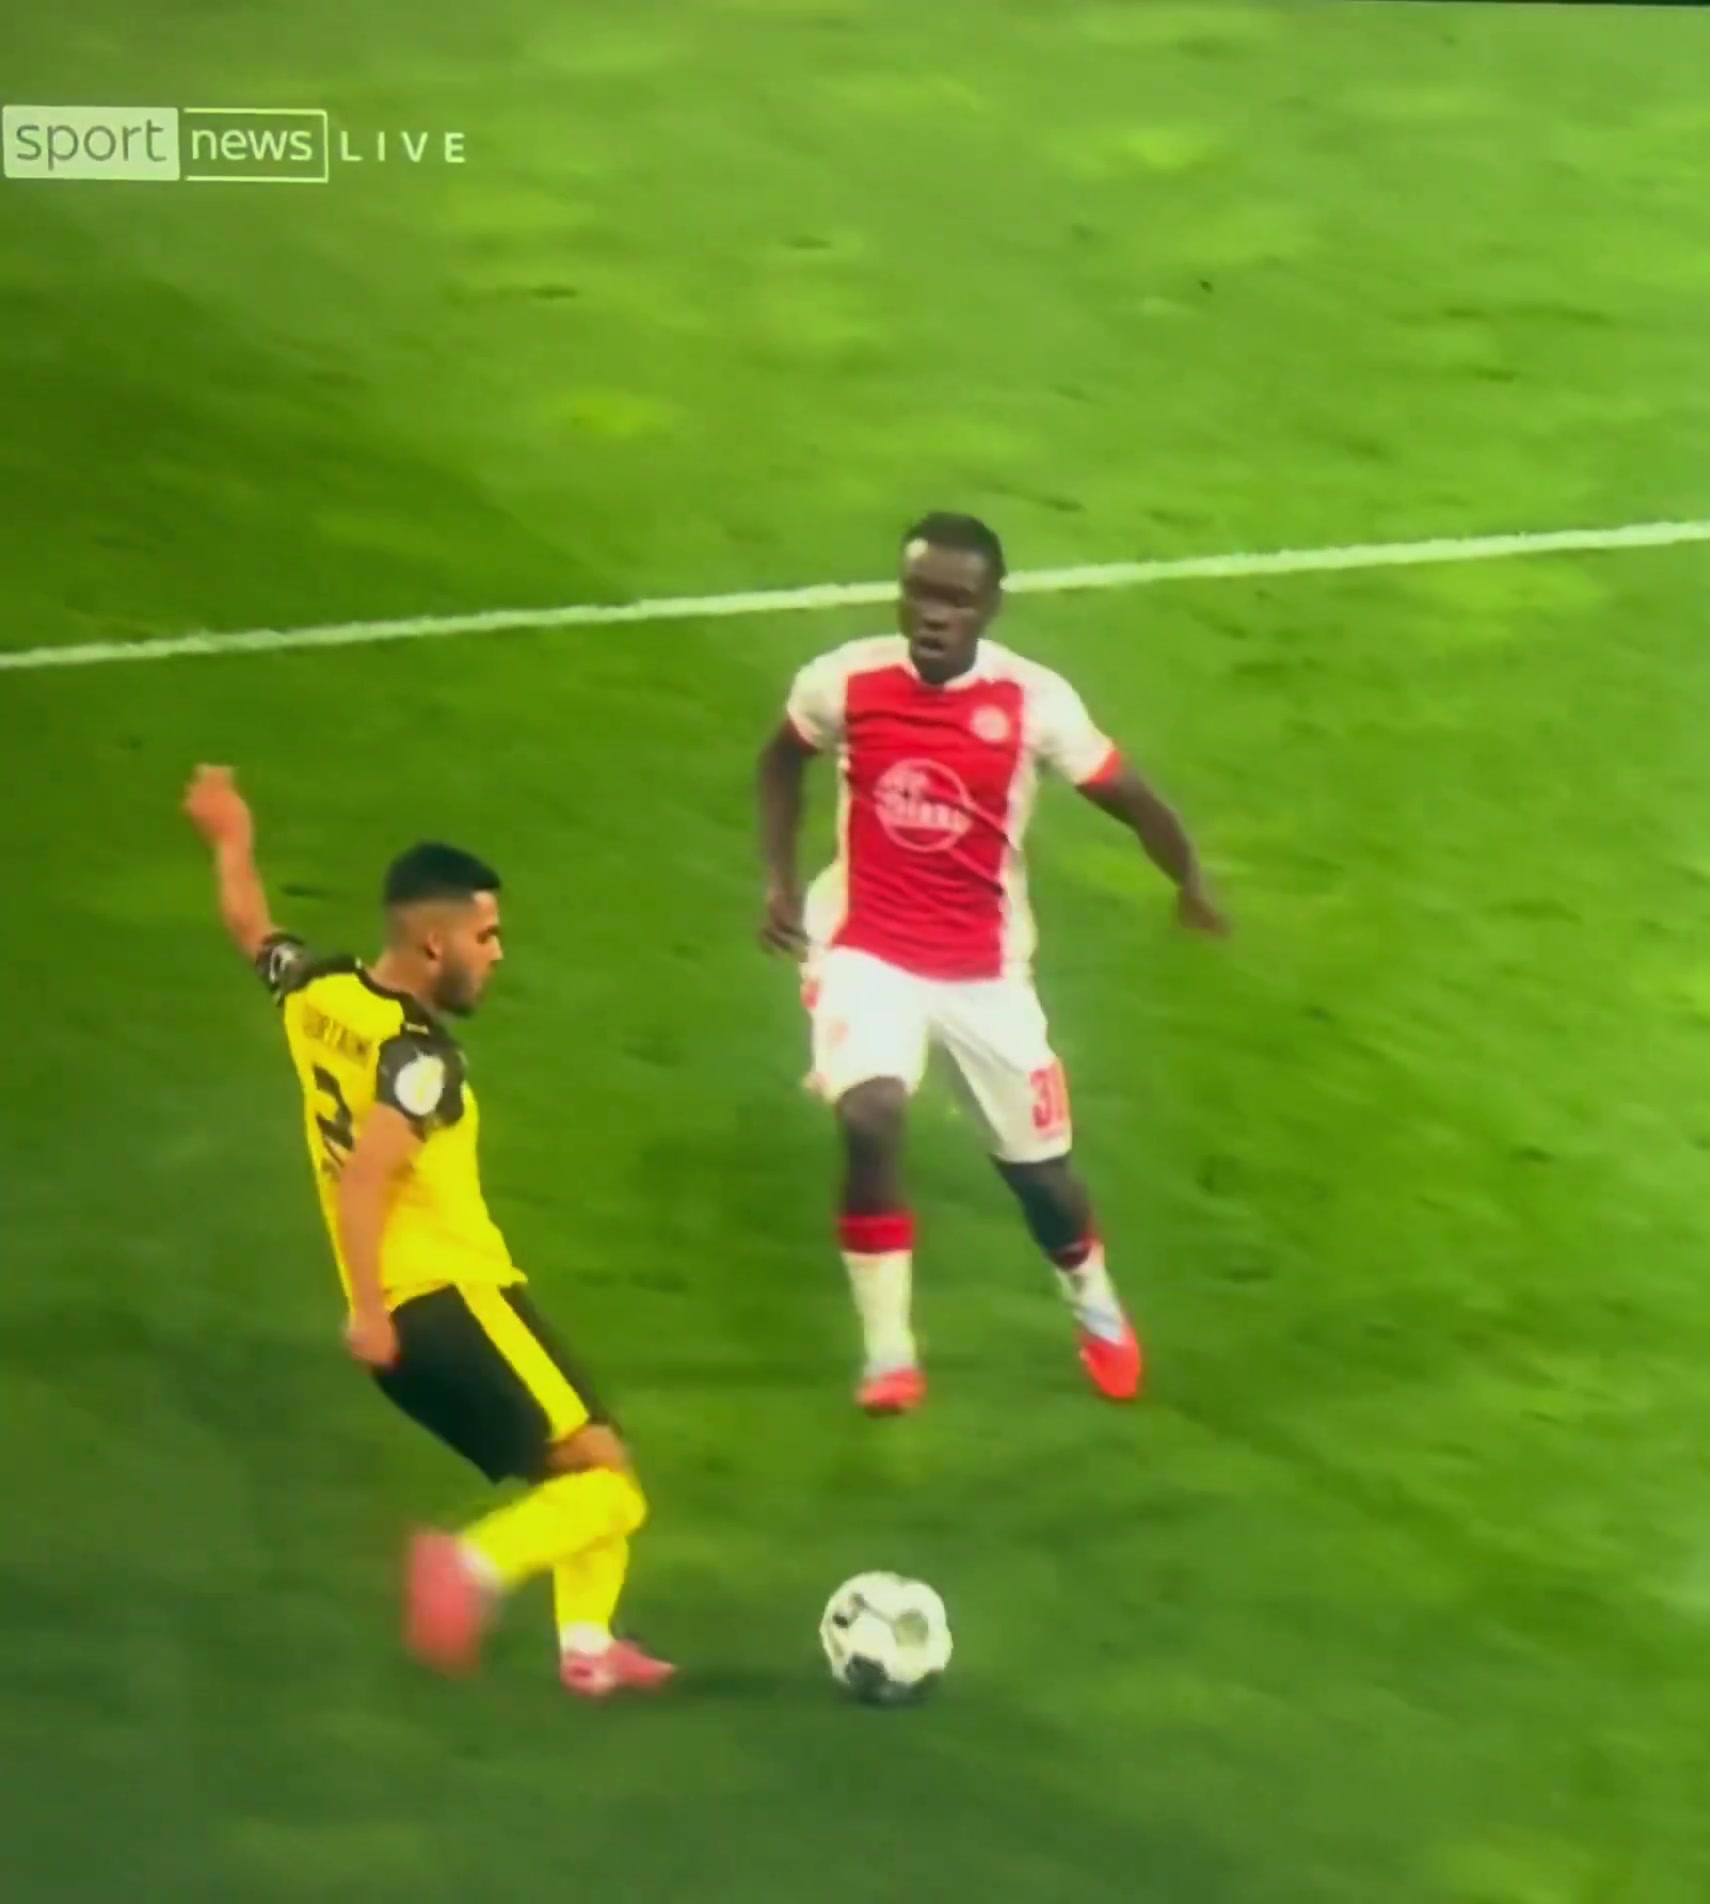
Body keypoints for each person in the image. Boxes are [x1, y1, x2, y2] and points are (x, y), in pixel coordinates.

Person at [182, 765, 672, 1696]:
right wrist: (369, 1310)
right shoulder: (421, 1060)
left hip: (415, 1320)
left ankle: (588, 1650)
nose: (497, 955)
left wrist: (229, 838)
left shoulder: (321, 991)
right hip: (449, 1297)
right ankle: (470, 1569)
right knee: (609, 1483)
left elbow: (252, 929)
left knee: (584, 1460)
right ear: (433, 939)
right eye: (486, 937)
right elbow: (368, 1176)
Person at [756, 512, 1227, 1414]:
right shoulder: (845, 680)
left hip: (985, 972)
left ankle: (1094, 1303)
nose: (934, 614)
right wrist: (777, 882)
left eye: (957, 599)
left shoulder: (1034, 704)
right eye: (920, 593)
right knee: (871, 1114)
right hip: (866, 950)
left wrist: (1190, 881)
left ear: (991, 606)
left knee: (1041, 1180)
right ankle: (889, 1353)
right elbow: (780, 762)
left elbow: (1130, 797)